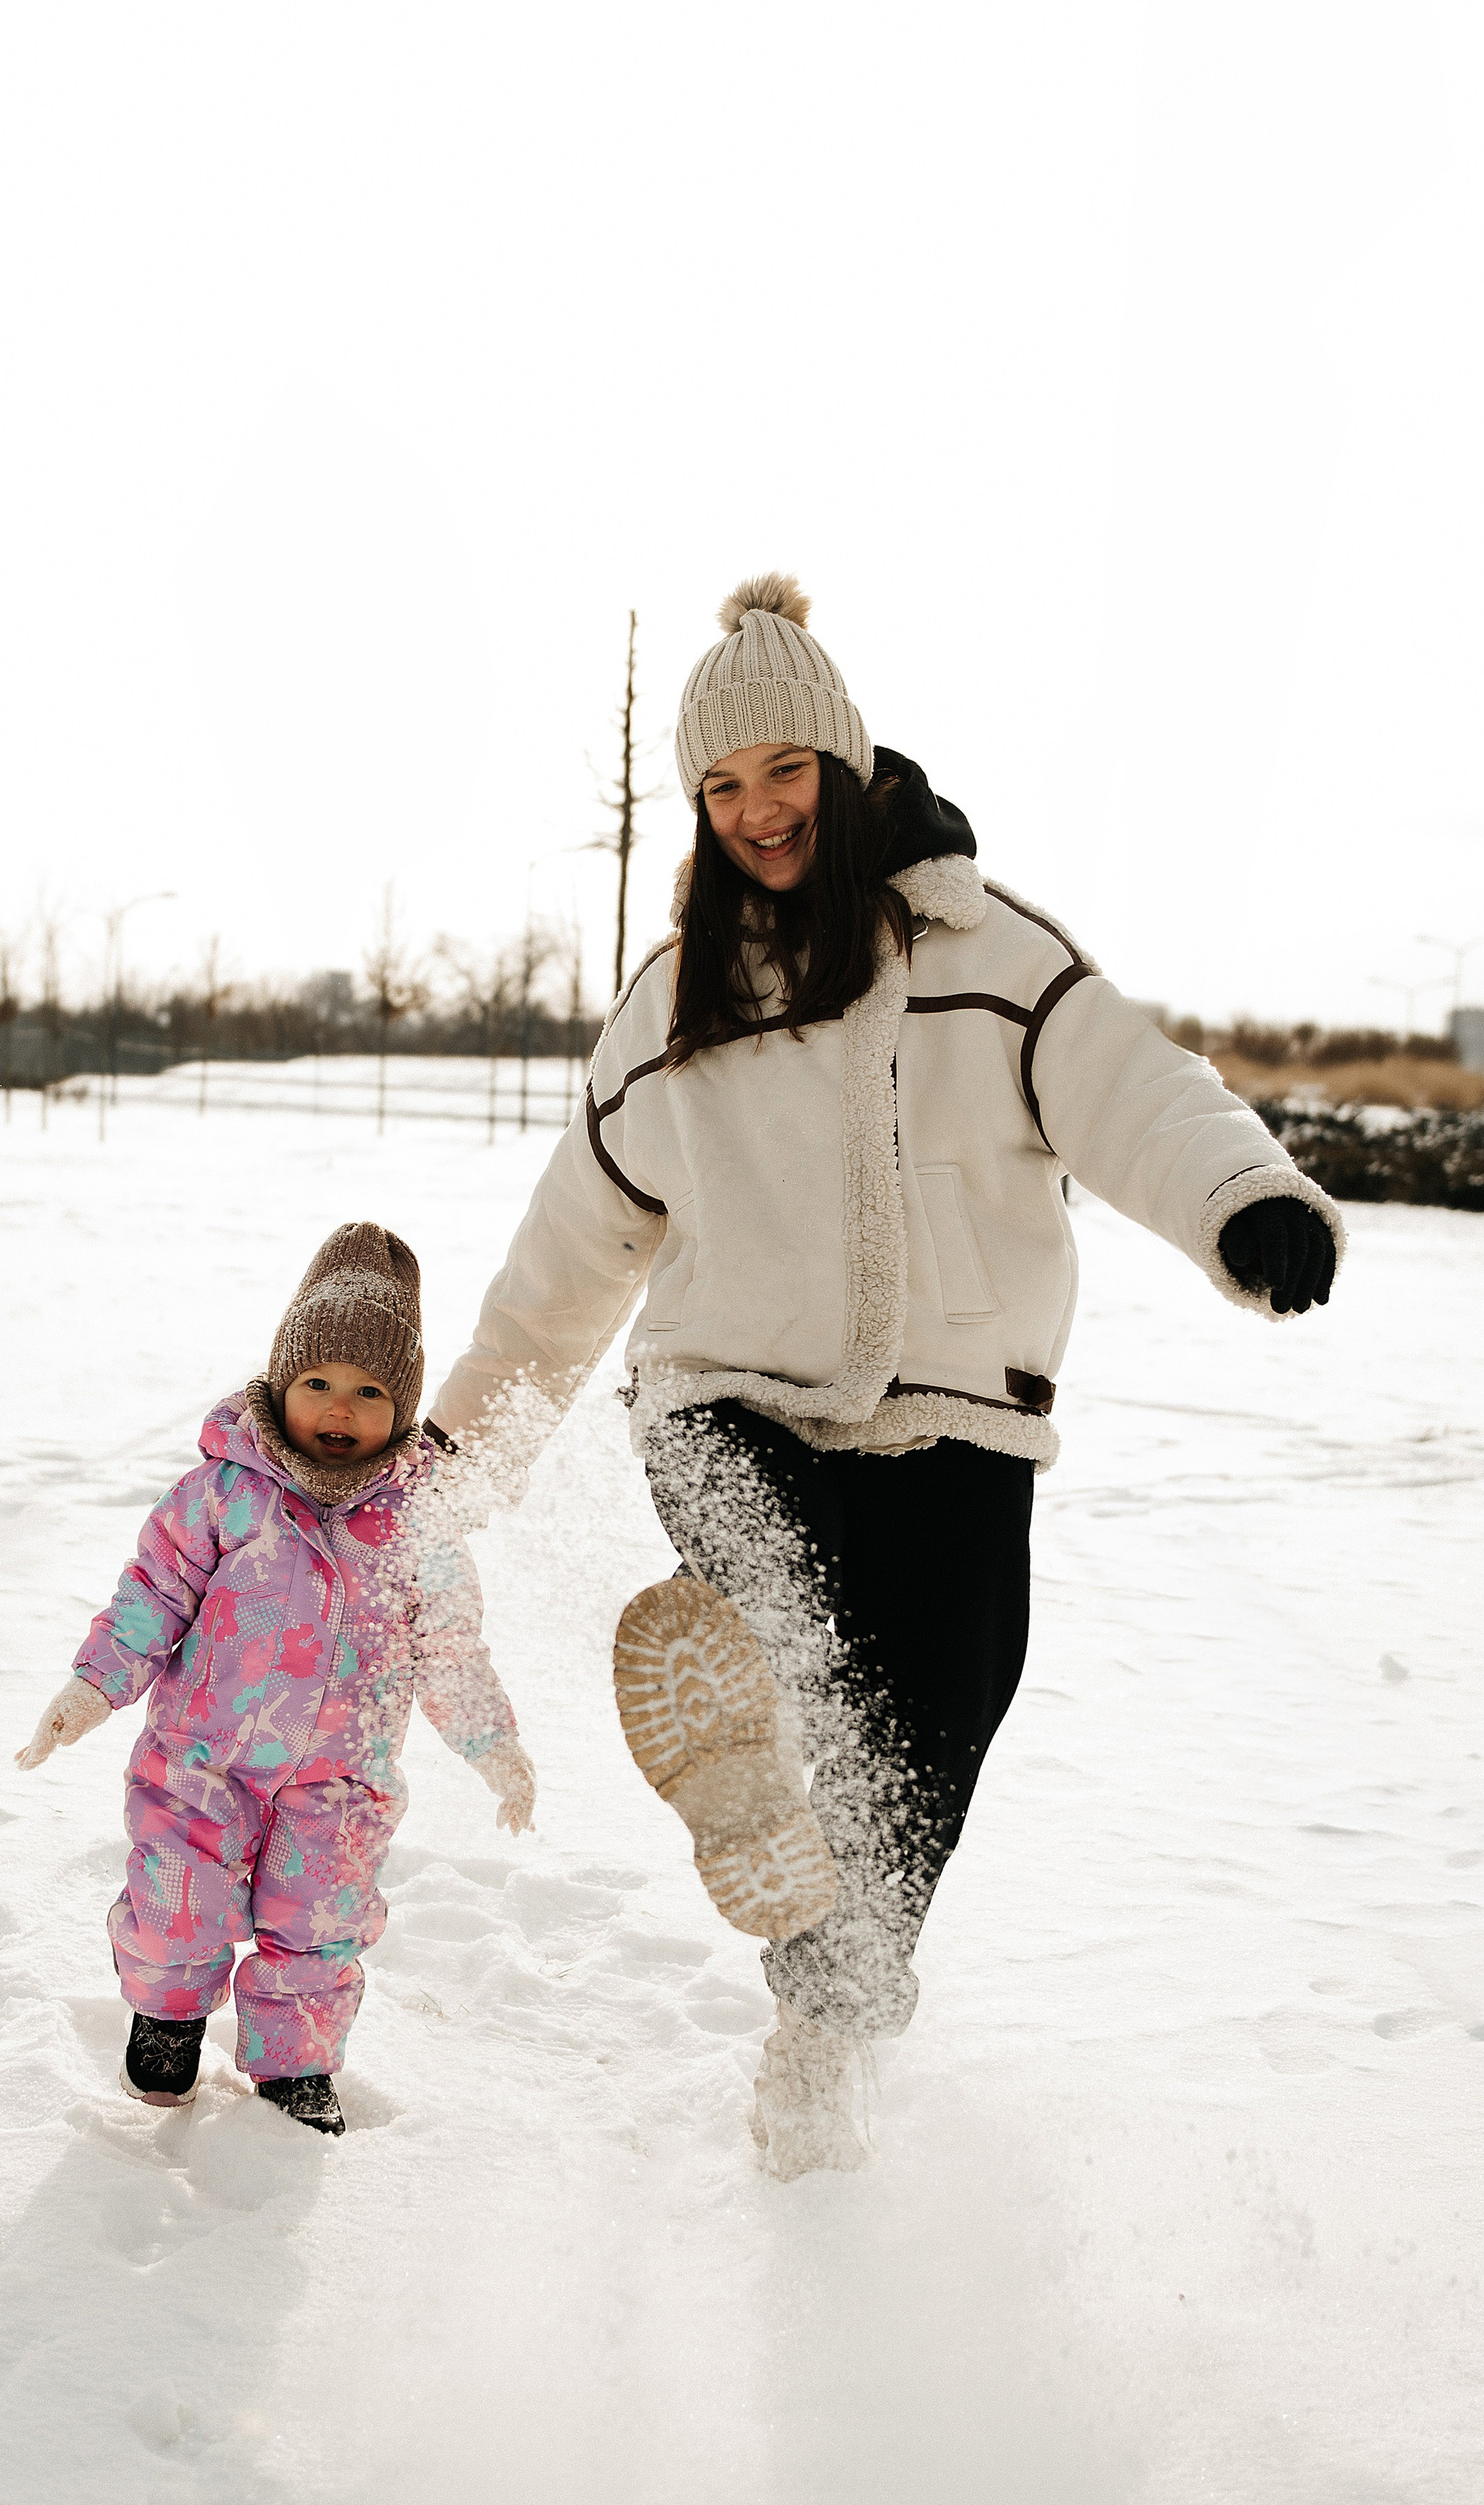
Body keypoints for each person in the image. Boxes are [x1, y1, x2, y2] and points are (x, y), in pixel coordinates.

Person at [427, 574, 1340, 2180]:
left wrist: (1238, 1200)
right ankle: (755, 1721)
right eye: (718, 789)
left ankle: (826, 2009)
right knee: (778, 1617)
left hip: (958, 1416)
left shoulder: (988, 952)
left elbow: (1136, 1089)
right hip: (723, 1401)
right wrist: (457, 1454)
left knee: (936, 1715)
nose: (754, 812)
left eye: (780, 772)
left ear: (843, 766)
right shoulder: (669, 1012)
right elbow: (564, 1258)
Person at [16, 1222, 536, 2134]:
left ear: (403, 1407)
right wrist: (91, 1687)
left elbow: (451, 1649)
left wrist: (494, 1744)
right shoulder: (224, 1493)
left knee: (318, 1923)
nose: (341, 1407)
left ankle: (295, 2064)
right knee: (176, 1893)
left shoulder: (420, 1527)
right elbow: (152, 1594)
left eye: (371, 1390)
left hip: (340, 1782)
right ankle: (169, 2015)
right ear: (280, 1385)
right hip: (201, 1762)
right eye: (319, 1383)